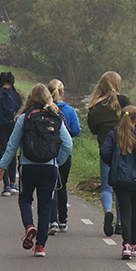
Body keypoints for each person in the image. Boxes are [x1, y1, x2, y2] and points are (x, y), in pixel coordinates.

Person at [0, 83, 72, 257]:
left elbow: (12, 145)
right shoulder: (55, 117)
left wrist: (2, 167)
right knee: (45, 206)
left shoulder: (24, 117)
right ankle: (40, 247)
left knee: (25, 199)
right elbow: (68, 144)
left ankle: (29, 226)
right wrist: (56, 161)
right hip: (49, 168)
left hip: (28, 166)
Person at [87, 71, 136, 237]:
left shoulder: (93, 106)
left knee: (106, 187)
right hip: (124, 150)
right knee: (121, 185)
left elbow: (93, 130)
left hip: (106, 150)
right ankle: (119, 223)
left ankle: (107, 212)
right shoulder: (123, 100)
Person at [100, 105, 136, 259]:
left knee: (124, 209)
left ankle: (126, 244)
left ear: (120, 117)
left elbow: (104, 152)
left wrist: (114, 164)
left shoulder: (114, 134)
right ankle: (134, 244)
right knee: (134, 209)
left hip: (120, 179)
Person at [47, 79, 81, 235]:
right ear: (62, 93)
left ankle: (52, 220)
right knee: (62, 185)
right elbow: (76, 130)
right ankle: (63, 220)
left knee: (50, 186)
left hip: (48, 153)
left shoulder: (45, 109)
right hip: (65, 154)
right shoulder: (69, 111)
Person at [0, 72, 24, 196]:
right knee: (12, 153)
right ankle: (14, 183)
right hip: (13, 127)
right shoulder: (16, 95)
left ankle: (6, 185)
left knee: (2, 154)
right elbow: (21, 110)